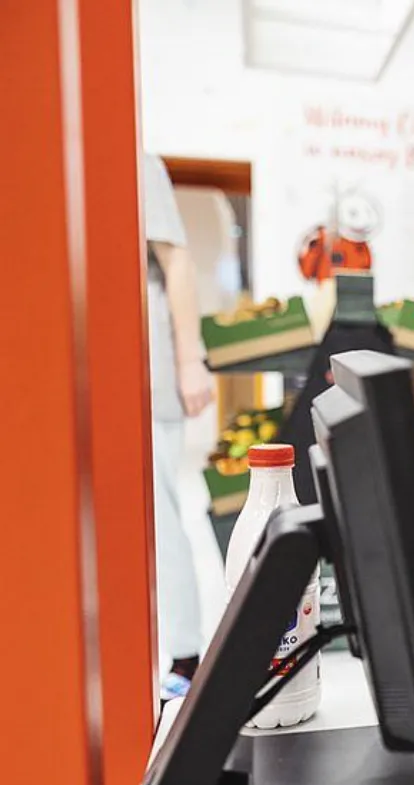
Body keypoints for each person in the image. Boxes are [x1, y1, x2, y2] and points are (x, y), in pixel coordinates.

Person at [142, 152, 215, 700]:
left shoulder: (137, 161)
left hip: (146, 374)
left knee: (160, 516)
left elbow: (177, 261)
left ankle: (186, 655)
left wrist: (190, 359)